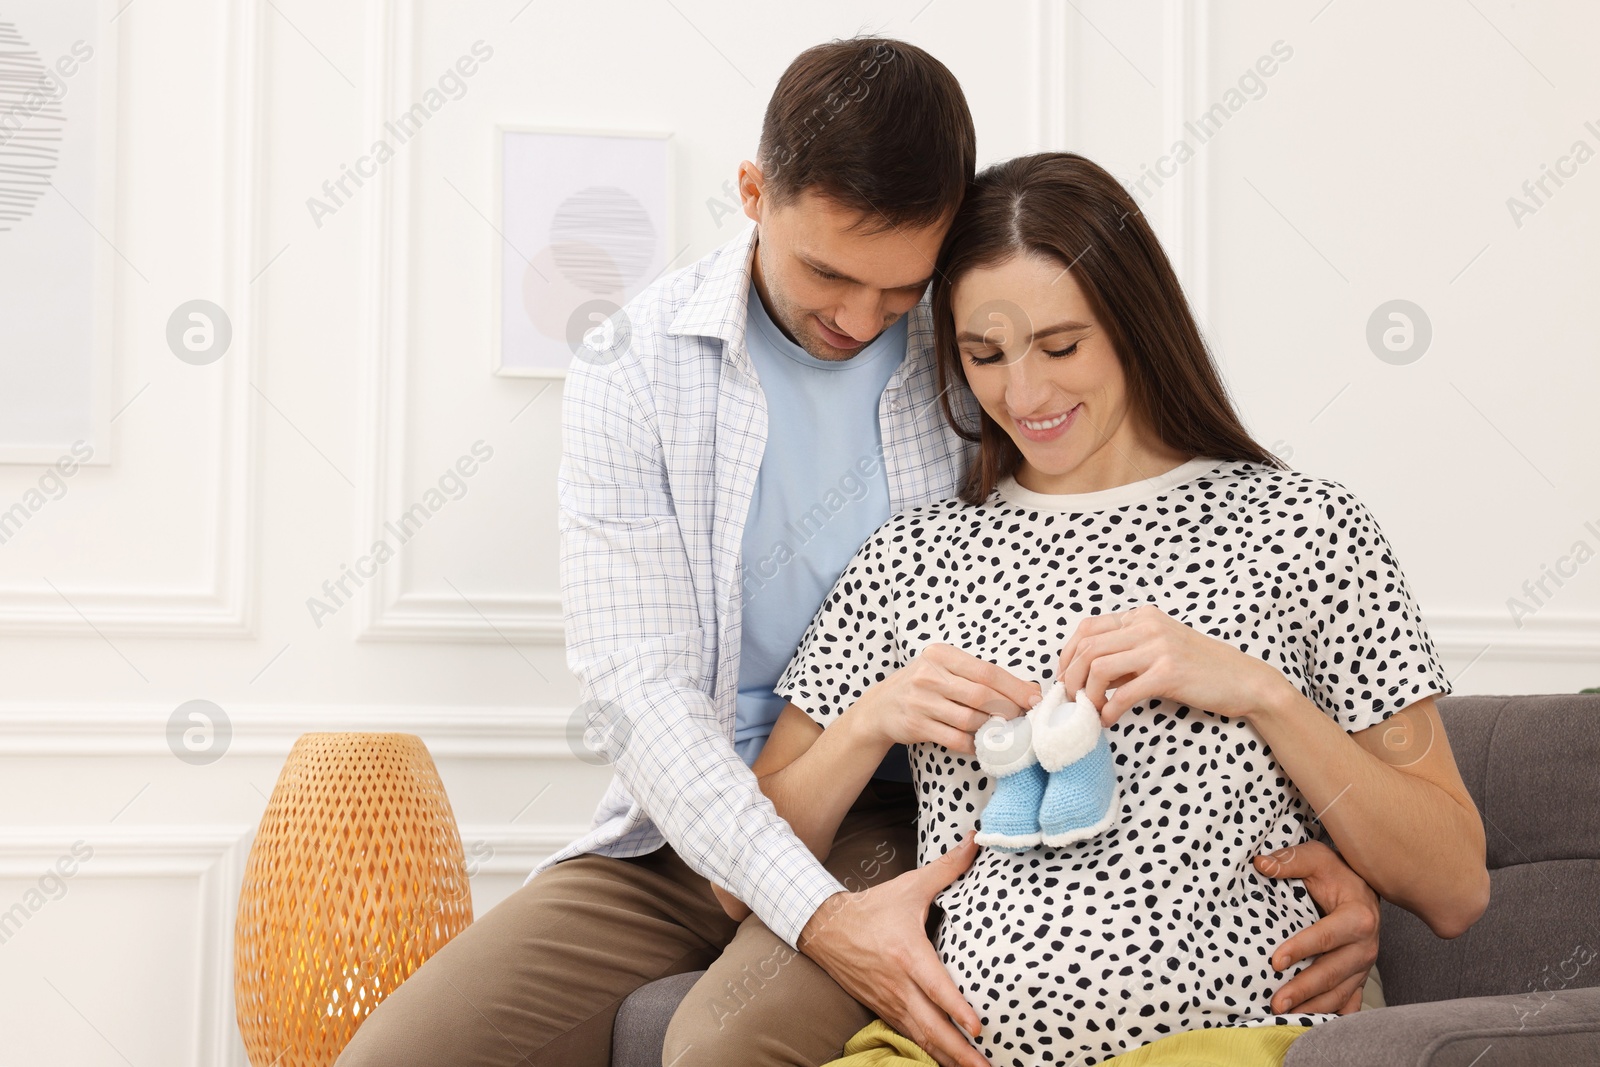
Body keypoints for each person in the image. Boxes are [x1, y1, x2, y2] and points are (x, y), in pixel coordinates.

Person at [337, 41, 1389, 1067]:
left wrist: (1329, 866)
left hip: (915, 806)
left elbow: (1148, 510)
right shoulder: (637, 366)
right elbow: (640, 690)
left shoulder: (981, 336)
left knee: (726, 1040)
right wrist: (814, 912)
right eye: (827, 273)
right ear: (753, 192)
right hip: (690, 817)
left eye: (899, 289)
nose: (858, 317)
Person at [732, 151, 1490, 1066]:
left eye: (1061, 346)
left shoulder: (1308, 528)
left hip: (1235, 1043)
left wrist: (1264, 694)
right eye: (985, 354)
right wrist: (875, 717)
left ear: (1135, 323)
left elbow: (1455, 884)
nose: (1026, 393)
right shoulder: (910, 555)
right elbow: (742, 876)